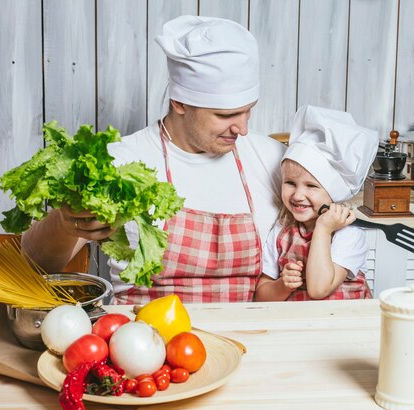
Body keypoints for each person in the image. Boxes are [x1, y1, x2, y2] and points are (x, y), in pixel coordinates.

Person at [21, 15, 286, 304]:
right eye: (225, 115)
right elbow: (34, 266)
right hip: (144, 339)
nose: (243, 129)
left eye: (248, 110)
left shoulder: (275, 160)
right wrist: (64, 222)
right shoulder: (120, 163)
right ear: (180, 102)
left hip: (252, 337)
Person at [255, 105, 378, 301]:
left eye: (311, 186)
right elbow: (261, 297)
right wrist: (282, 286)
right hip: (298, 324)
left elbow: (318, 289)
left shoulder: (348, 234)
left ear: (333, 193)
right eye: (290, 183)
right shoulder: (282, 229)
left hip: (344, 326)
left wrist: (323, 228)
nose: (297, 195)